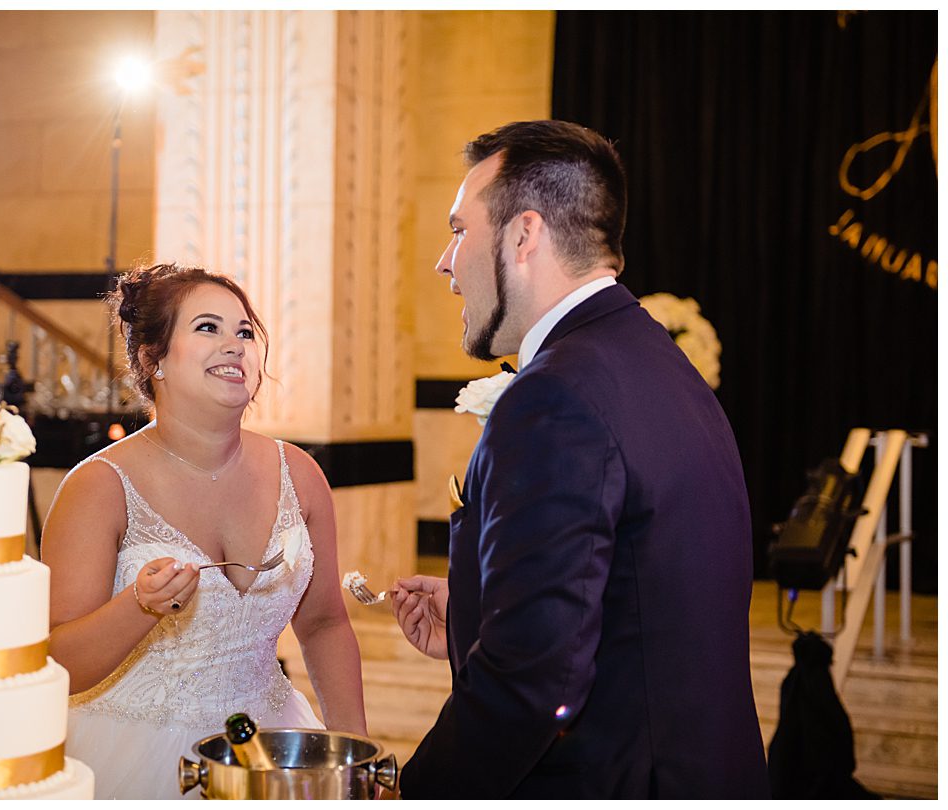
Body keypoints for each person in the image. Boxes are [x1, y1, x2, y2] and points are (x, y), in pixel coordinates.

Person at [390, 120, 763, 799]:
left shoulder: (554, 398)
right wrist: (481, 609)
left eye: (459, 230)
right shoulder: (661, 364)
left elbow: (530, 685)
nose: (445, 262)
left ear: (524, 235)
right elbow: (641, 593)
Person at [47, 263, 365, 799]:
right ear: (153, 359)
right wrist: (140, 606)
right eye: (207, 328)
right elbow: (60, 663)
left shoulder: (300, 475)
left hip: (267, 748)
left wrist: (354, 754)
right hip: (132, 755)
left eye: (245, 332)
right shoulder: (99, 486)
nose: (234, 345)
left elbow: (325, 624)